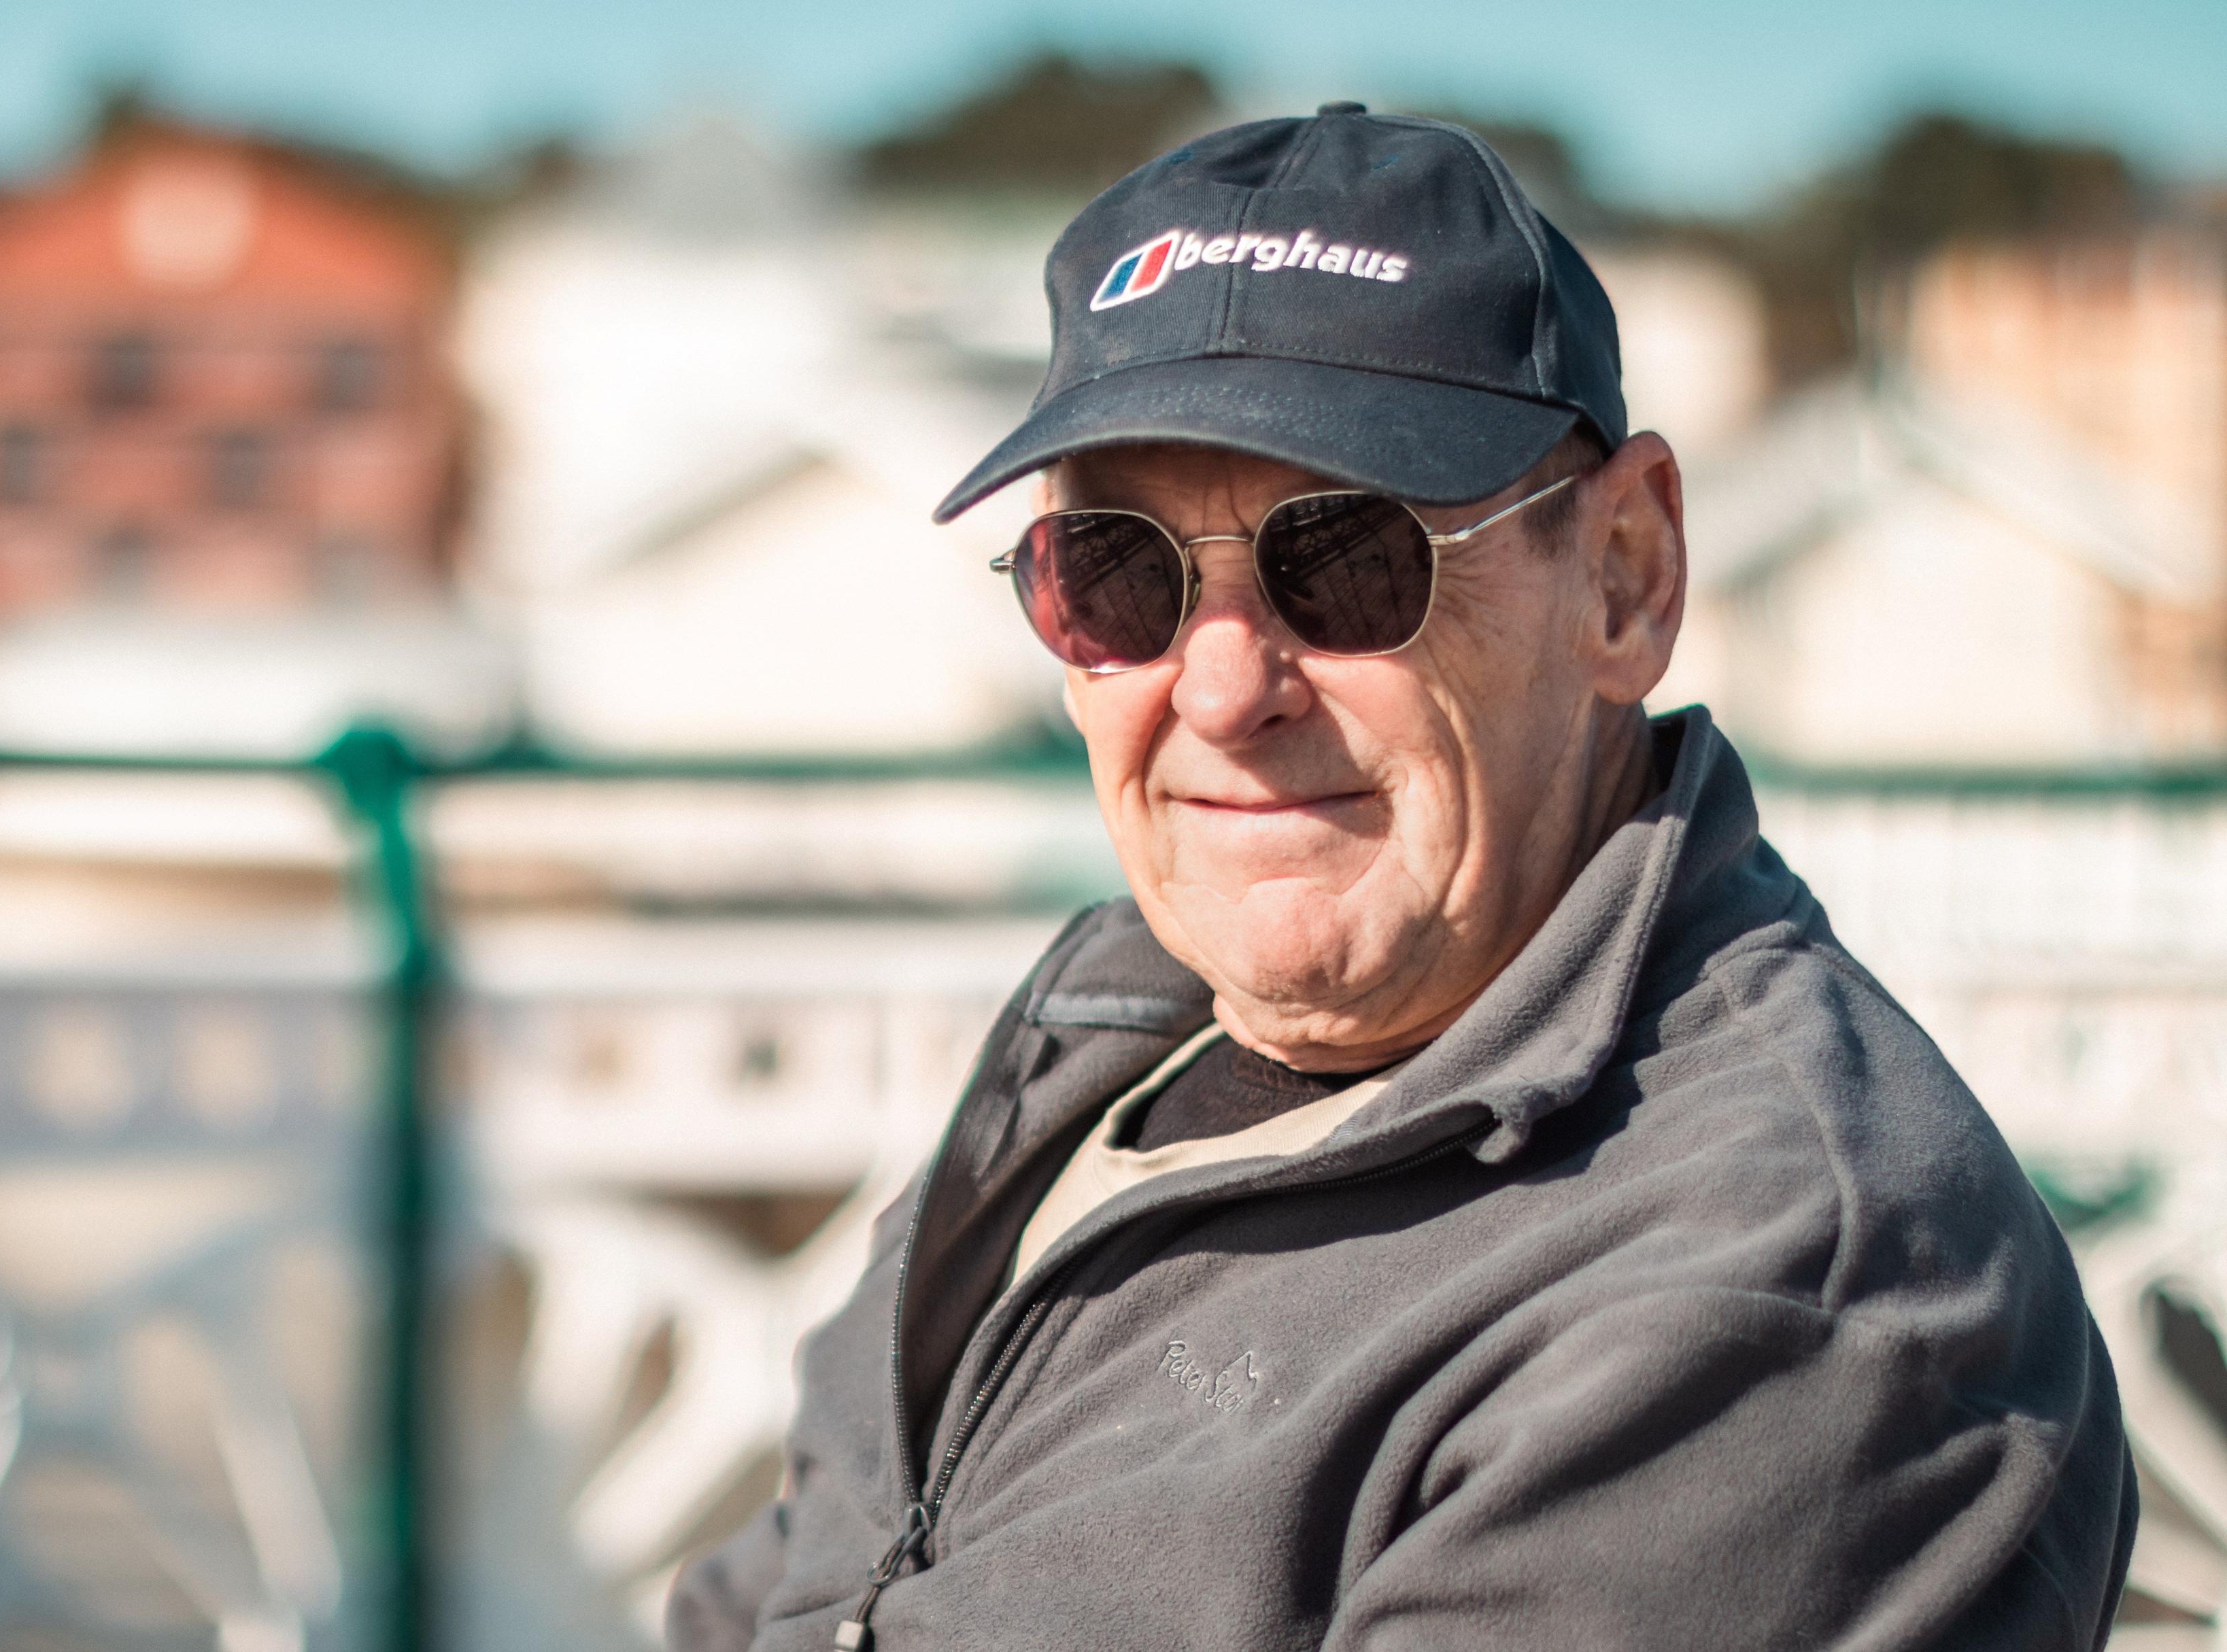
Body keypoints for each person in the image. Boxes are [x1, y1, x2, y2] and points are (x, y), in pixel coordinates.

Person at [667, 104, 2136, 1651]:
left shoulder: (1767, 1302)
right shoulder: (1115, 1039)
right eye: (1117, 574)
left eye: (1350, 561)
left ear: (1626, 579)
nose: (1223, 689)